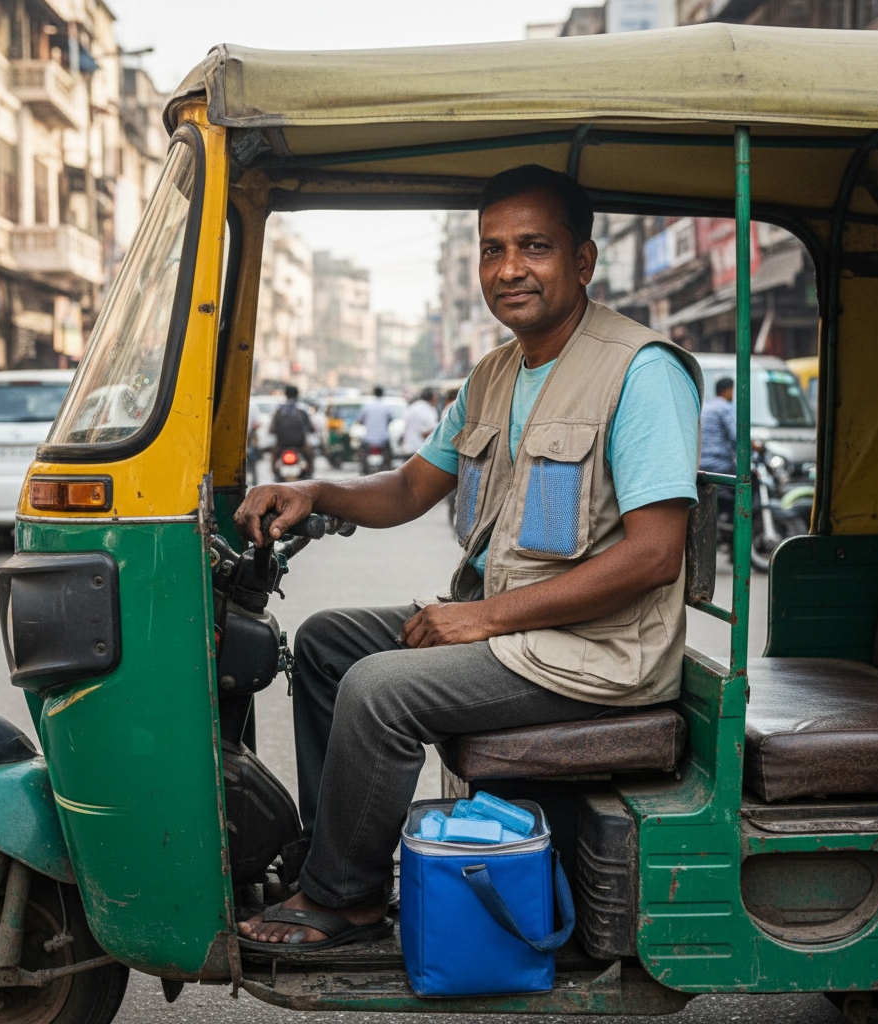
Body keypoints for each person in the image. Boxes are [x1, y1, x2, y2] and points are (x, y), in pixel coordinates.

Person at [234, 164, 703, 950]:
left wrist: (482, 618)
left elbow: (656, 556)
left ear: (582, 262)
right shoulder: (495, 374)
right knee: (323, 644)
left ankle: (344, 901)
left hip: (596, 653)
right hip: (519, 632)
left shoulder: (639, 370)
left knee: (381, 690)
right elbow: (413, 487)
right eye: (492, 250)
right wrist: (317, 490)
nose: (508, 268)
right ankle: (332, 856)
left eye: (534, 247)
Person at [700, 376, 737, 521]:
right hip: (719, 465)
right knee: (747, 482)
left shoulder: (706, 405)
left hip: (700, 465)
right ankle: (734, 520)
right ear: (727, 390)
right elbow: (736, 436)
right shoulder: (724, 407)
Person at [269, 385, 315, 481]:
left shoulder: (279, 410)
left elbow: (272, 428)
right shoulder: (302, 410)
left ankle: (274, 474)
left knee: (273, 457)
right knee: (310, 455)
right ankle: (310, 475)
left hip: (282, 444)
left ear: (286, 394)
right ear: (297, 394)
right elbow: (311, 427)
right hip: (300, 444)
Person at [357, 385, 393, 472]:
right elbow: (390, 419)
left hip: (368, 438)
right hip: (383, 438)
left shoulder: (367, 406)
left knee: (361, 454)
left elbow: (360, 420)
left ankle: (364, 470)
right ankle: (389, 471)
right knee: (389, 457)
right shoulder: (386, 406)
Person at [401, 388, 439, 455]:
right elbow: (430, 431)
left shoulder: (412, 407)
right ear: (433, 398)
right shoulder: (429, 409)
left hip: (408, 447)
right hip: (421, 449)